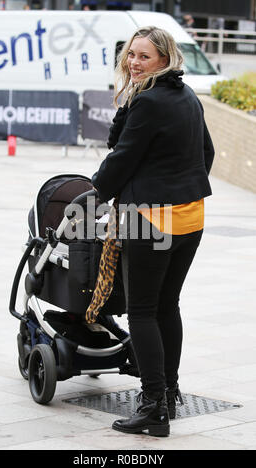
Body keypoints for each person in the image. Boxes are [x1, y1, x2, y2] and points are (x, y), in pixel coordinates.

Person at [91, 26, 214, 437]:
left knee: (142, 311)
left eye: (143, 57)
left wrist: (93, 194)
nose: (133, 63)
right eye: (130, 55)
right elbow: (206, 153)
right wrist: (177, 185)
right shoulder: (187, 97)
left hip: (148, 219)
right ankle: (170, 394)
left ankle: (152, 408)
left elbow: (121, 156)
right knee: (167, 306)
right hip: (190, 217)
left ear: (164, 59)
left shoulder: (146, 102)